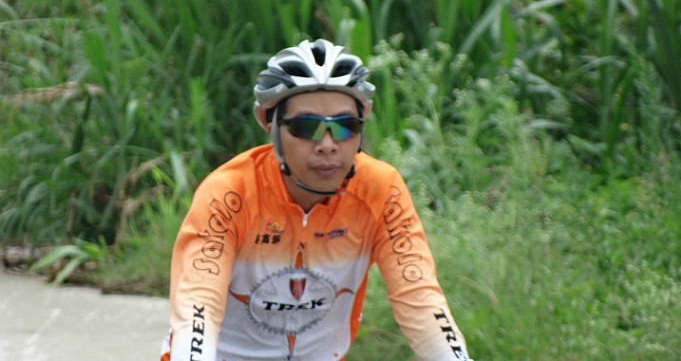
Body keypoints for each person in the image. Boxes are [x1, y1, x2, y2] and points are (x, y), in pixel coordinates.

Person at [160, 39, 472, 361]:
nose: (327, 144)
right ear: (269, 124)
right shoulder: (230, 194)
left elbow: (420, 301)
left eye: (345, 126)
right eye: (307, 127)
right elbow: (198, 308)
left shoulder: (380, 190)